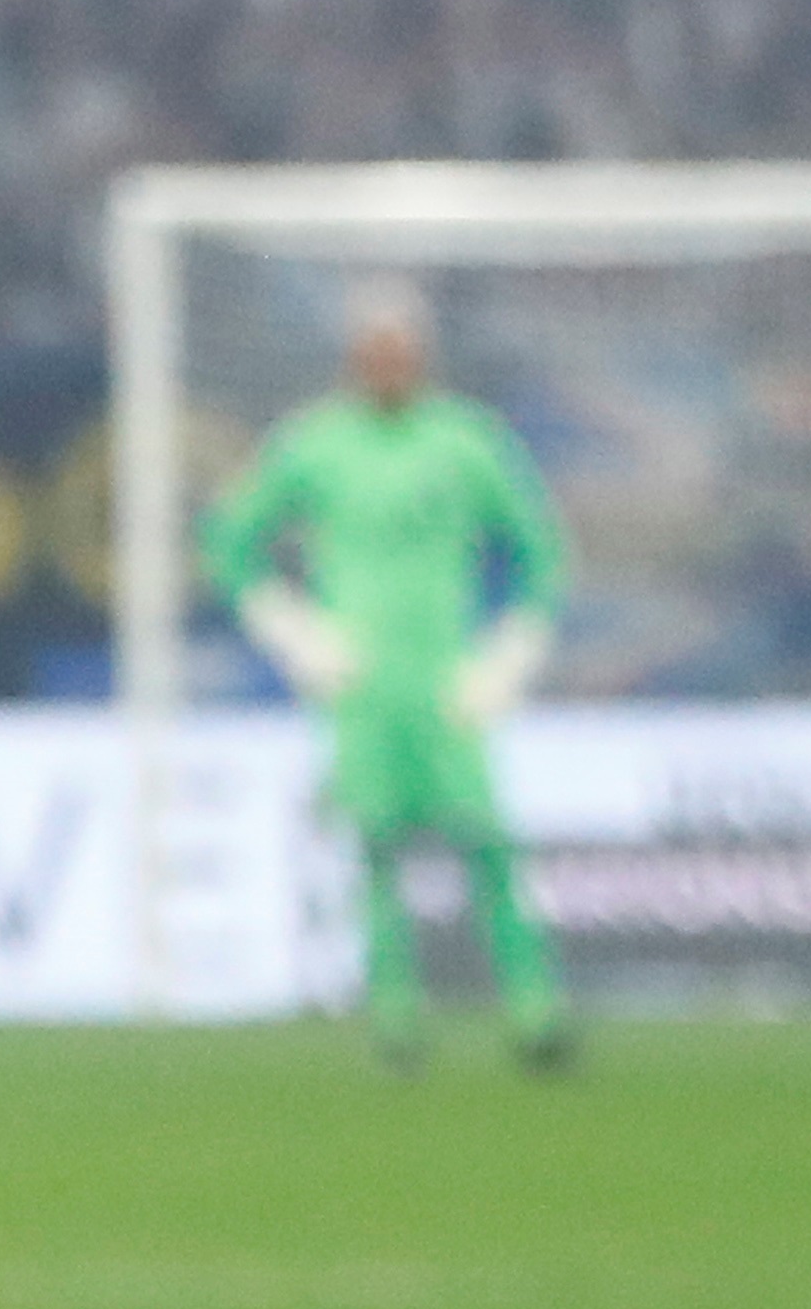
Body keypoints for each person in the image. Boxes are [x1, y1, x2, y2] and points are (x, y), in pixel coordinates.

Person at [200, 279, 575, 1070]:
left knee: (487, 841)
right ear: (352, 356)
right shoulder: (314, 444)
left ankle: (534, 1010)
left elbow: (542, 550)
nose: (386, 364)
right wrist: (294, 631)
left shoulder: (467, 442)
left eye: (399, 349)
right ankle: (396, 1018)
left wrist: (511, 653)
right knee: (375, 848)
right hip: (362, 682)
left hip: (448, 679)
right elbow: (233, 542)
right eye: (373, 350)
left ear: (422, 354)